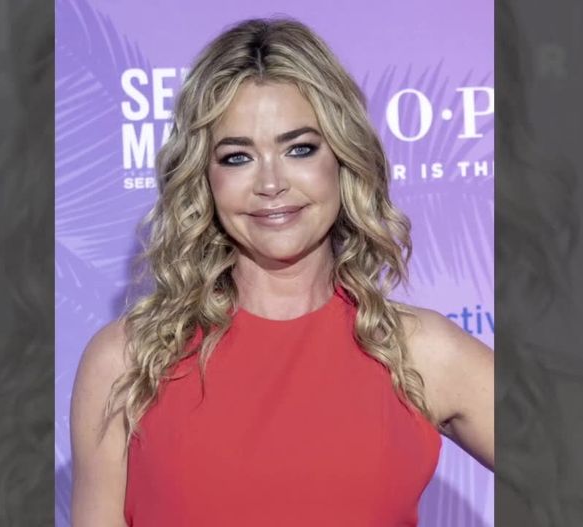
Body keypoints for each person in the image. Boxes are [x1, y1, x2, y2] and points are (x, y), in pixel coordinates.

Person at [70, 17, 494, 527]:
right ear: (204, 179)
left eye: (299, 149)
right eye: (237, 157)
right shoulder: (126, 362)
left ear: (343, 158)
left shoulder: (419, 353)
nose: (270, 183)